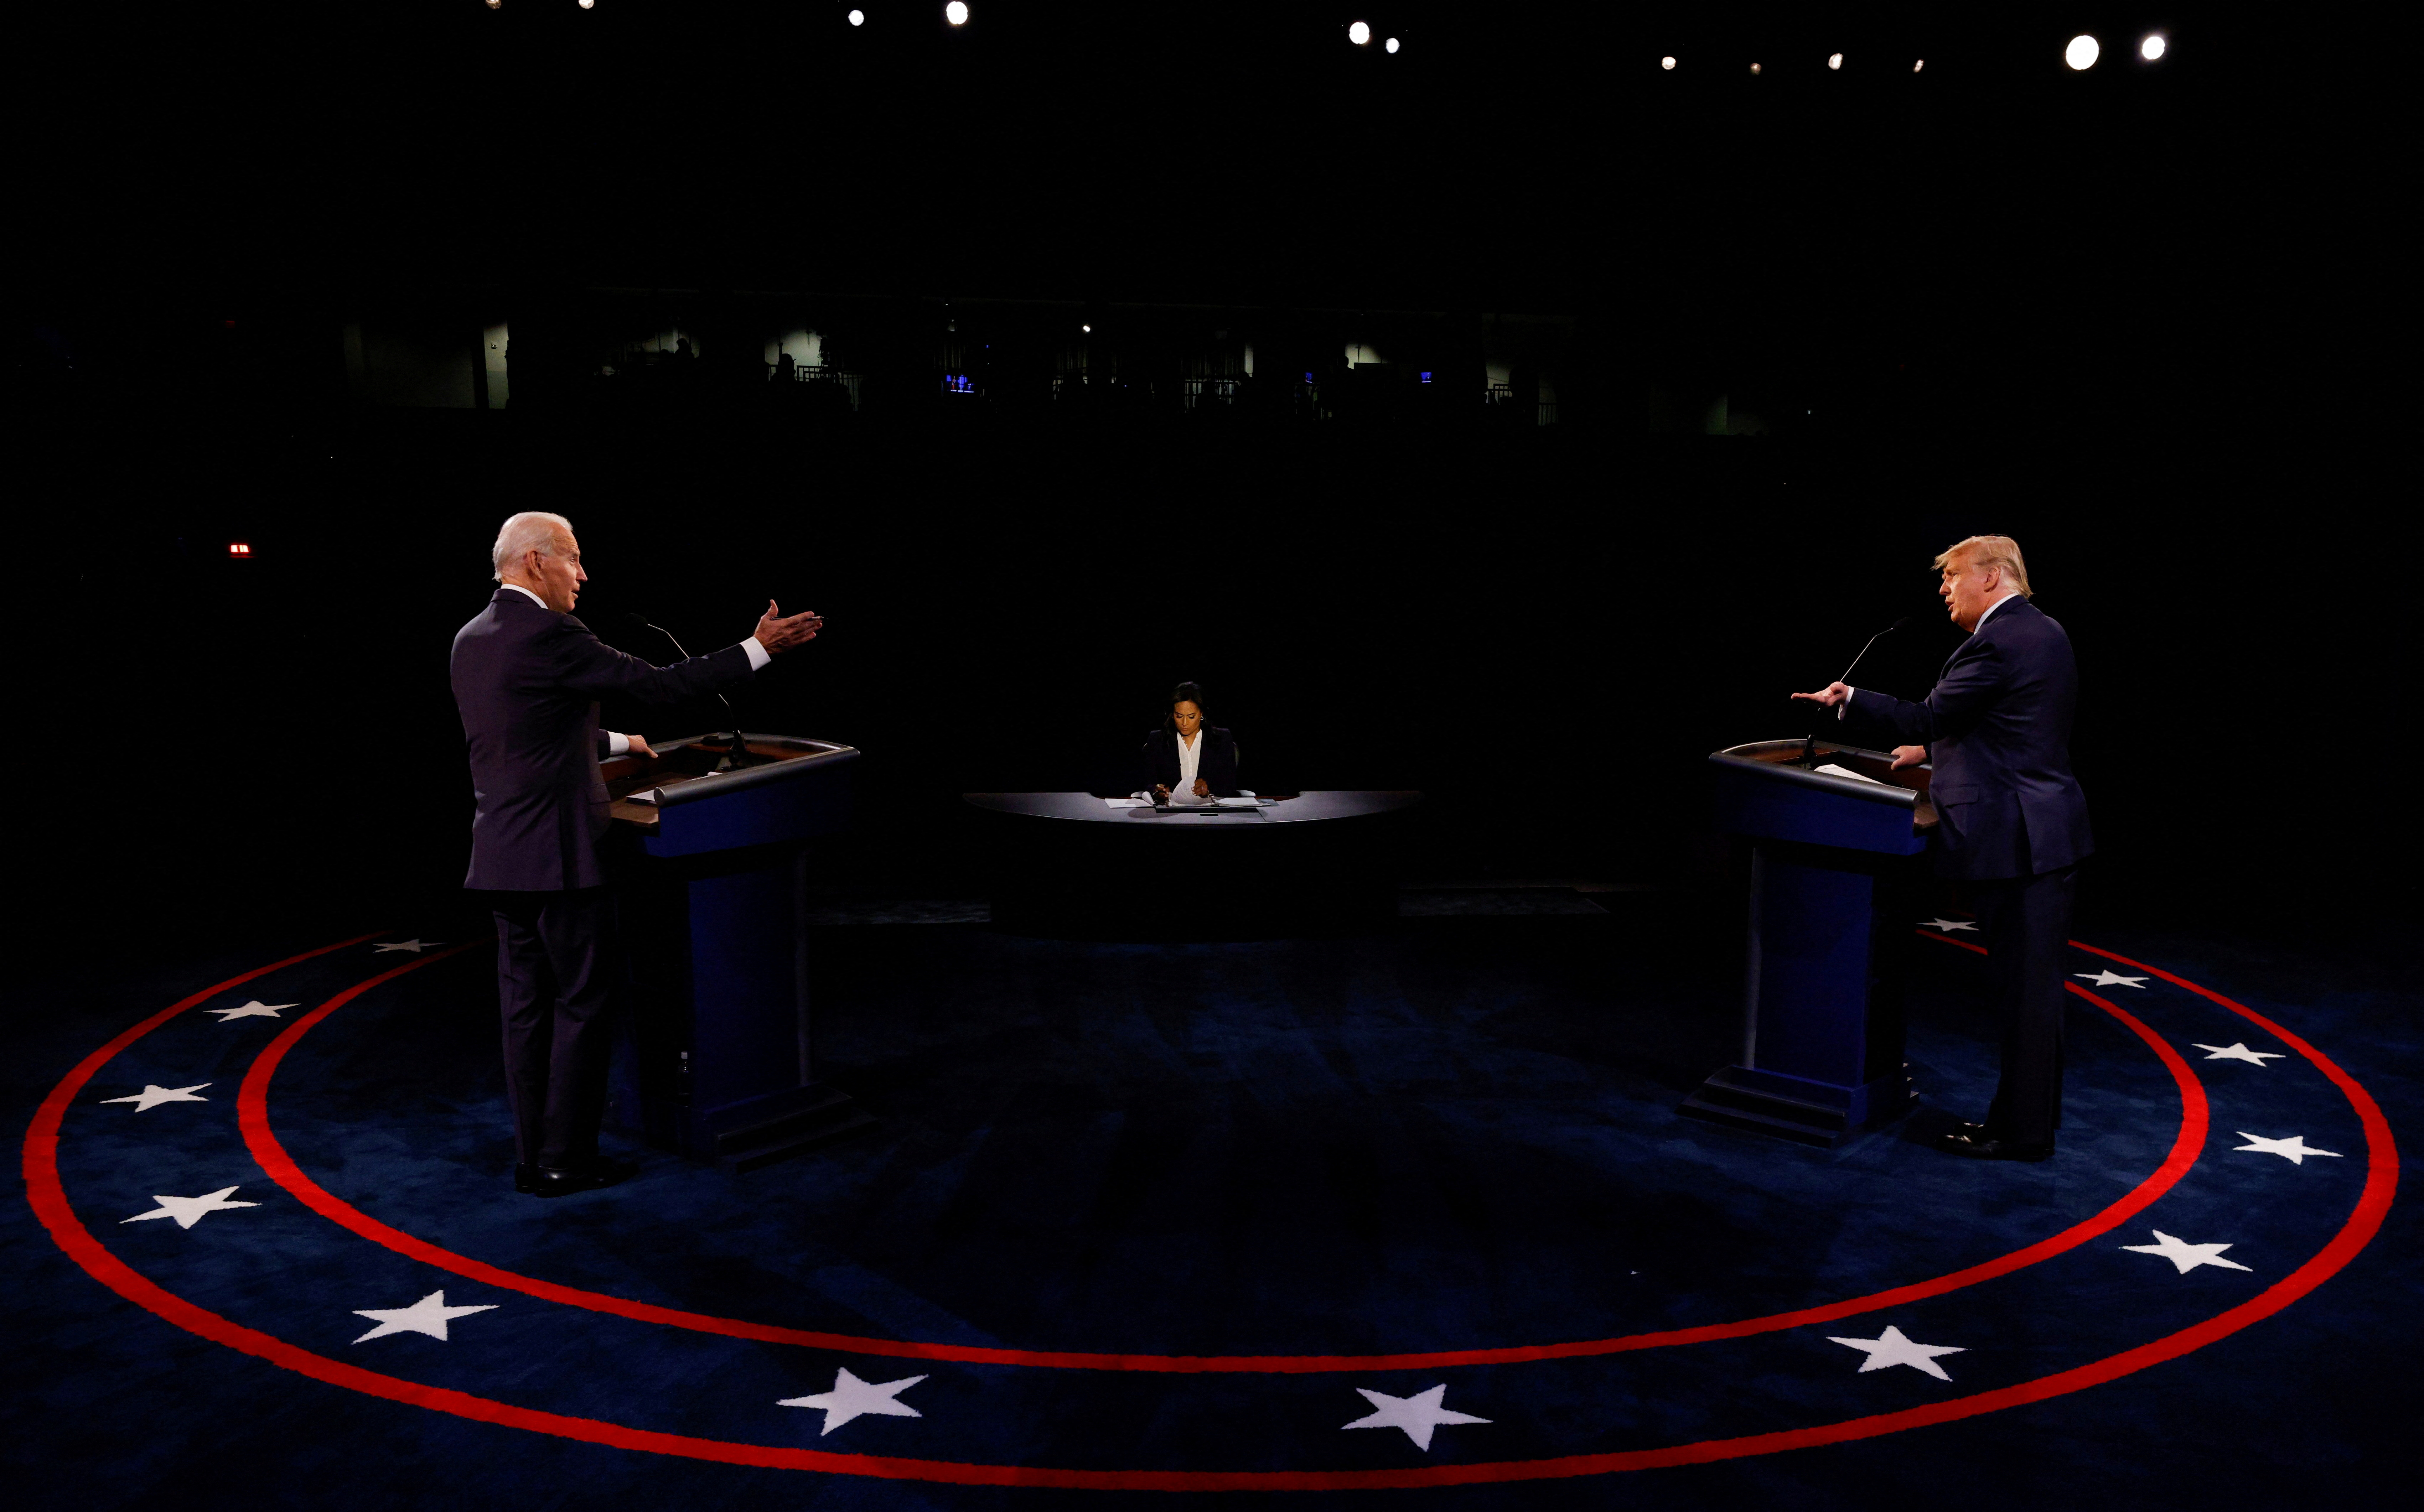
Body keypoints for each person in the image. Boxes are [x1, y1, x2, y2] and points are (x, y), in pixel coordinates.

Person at [450, 511, 823, 1196]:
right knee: (582, 1007)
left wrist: (622, 745)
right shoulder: (553, 632)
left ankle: (535, 1157)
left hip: (501, 859)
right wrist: (757, 648)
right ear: (535, 562)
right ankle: (568, 1160)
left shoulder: (471, 638)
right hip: (560, 860)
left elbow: (523, 738)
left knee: (524, 1014)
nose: (582, 575)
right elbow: (657, 684)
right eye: (573, 559)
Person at [1792, 534, 2092, 1162]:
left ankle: (2018, 1133)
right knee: (2031, 996)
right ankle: (2028, 1122)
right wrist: (1934, 755)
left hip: (2018, 841)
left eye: (1951, 576)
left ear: (1990, 576)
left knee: (2024, 998)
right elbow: (2014, 723)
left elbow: (1929, 715)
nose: (1943, 589)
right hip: (2042, 833)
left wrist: (1852, 700)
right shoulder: (2043, 632)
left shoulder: (1994, 640)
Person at [1140, 680, 1240, 801]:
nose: (1185, 723)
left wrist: (1208, 790)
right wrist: (1156, 791)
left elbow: (1230, 785)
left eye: (1191, 717)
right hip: (1170, 813)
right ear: (1172, 715)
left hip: (1211, 813)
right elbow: (1147, 782)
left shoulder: (1222, 739)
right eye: (1179, 716)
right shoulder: (1157, 740)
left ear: (1202, 713)